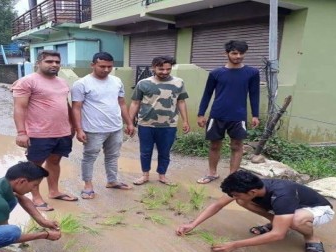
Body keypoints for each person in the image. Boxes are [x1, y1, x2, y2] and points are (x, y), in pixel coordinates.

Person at [176, 171, 334, 252]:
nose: (234, 197)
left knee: (295, 221)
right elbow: (218, 204)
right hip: (286, 208)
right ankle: (279, 222)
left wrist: (234, 245)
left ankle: (311, 238)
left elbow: (278, 235)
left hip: (317, 209)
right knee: (243, 202)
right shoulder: (249, 187)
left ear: (252, 192)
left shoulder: (282, 195)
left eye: (236, 194)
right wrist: (192, 224)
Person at [12, 50, 78, 211]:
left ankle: (54, 192)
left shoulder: (62, 82)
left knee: (54, 162)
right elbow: (19, 107)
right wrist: (21, 133)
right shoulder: (27, 82)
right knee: (34, 167)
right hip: (38, 133)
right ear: (38, 63)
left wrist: (73, 125)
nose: (54, 64)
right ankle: (35, 197)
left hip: (62, 132)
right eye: (49, 61)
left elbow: (66, 105)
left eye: (57, 62)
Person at [71, 52, 135, 199]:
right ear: (92, 65)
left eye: (109, 66)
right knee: (89, 157)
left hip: (115, 127)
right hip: (93, 129)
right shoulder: (82, 84)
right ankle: (88, 185)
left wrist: (129, 122)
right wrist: (79, 129)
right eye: (102, 66)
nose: (106, 70)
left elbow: (122, 103)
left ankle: (112, 181)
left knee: (113, 156)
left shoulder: (117, 81)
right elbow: (76, 107)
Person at [196, 40, 260, 184]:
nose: (238, 56)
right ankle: (212, 173)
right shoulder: (216, 73)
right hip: (217, 114)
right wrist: (201, 114)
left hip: (238, 116)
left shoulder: (252, 73)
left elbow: (254, 94)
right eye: (234, 53)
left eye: (241, 53)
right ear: (226, 54)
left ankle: (233, 177)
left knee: (237, 146)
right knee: (214, 145)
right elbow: (207, 94)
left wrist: (255, 115)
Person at [128, 56, 190, 186]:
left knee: (165, 152)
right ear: (153, 68)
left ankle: (162, 175)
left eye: (168, 69)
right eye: (161, 69)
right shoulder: (143, 83)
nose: (165, 72)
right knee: (145, 151)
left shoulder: (179, 82)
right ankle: (145, 175)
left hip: (169, 124)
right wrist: (130, 122)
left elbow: (181, 101)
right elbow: (135, 103)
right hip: (146, 124)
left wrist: (185, 121)